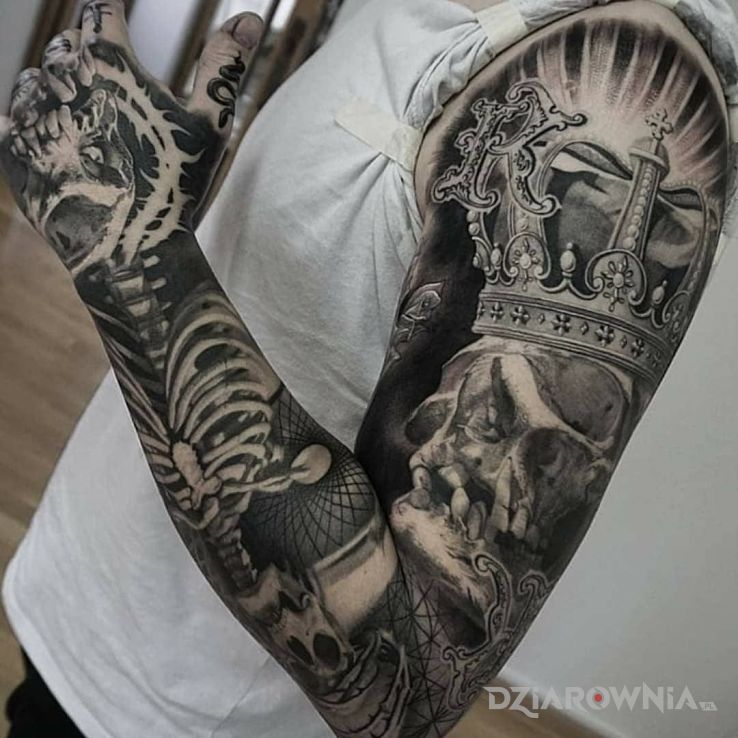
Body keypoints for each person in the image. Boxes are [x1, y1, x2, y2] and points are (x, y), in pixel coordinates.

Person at [1, 0, 737, 736]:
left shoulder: (624, 94)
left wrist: (132, 253)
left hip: (168, 709)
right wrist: (168, 218)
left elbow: (410, 685)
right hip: (89, 593)